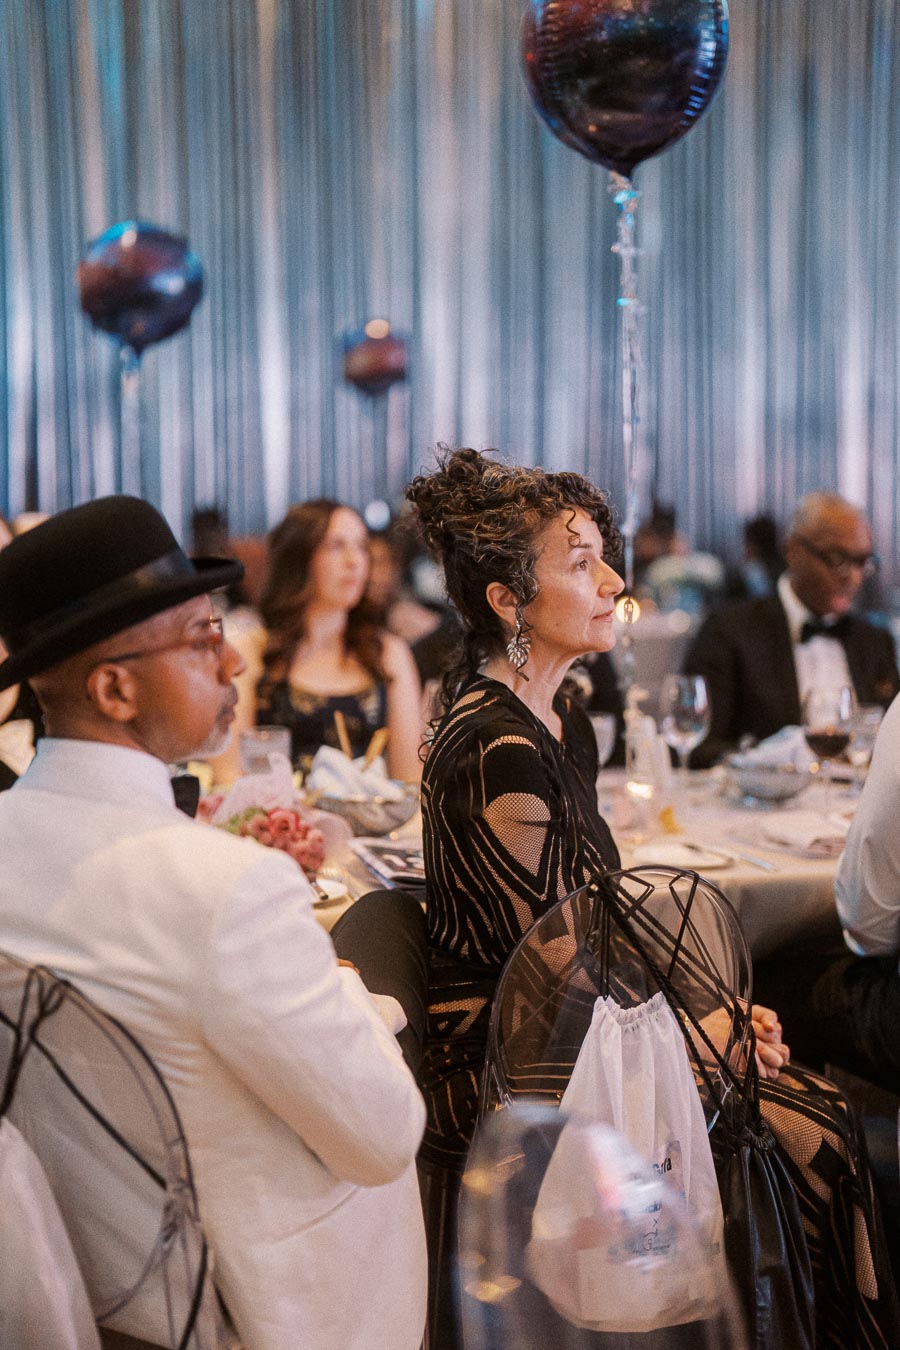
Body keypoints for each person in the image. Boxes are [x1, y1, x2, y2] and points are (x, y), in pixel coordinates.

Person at [0, 496, 427, 1350]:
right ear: (115, 687)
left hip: (89, 1282)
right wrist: (356, 999)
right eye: (199, 637)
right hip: (261, 1308)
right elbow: (385, 1137)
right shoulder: (228, 891)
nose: (232, 659)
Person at [406, 449, 793, 1345]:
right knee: (807, 1138)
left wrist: (715, 1010)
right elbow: (548, 975)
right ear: (507, 599)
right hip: (509, 1071)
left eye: (605, 556)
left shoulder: (556, 715)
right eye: (581, 563)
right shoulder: (495, 752)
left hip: (582, 1034)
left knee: (804, 1113)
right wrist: (703, 1039)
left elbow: (599, 919)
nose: (616, 581)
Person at [684, 492, 899, 766]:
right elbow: (700, 746)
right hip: (764, 804)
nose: (854, 577)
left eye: (862, 562)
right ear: (793, 551)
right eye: (837, 558)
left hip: (855, 805)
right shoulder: (729, 631)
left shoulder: (874, 641)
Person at [252, 499, 423, 780]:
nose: (354, 561)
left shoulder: (387, 652)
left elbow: (410, 781)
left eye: (360, 547)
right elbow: (229, 777)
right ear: (299, 558)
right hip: (276, 819)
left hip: (373, 821)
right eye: (336, 546)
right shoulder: (256, 648)